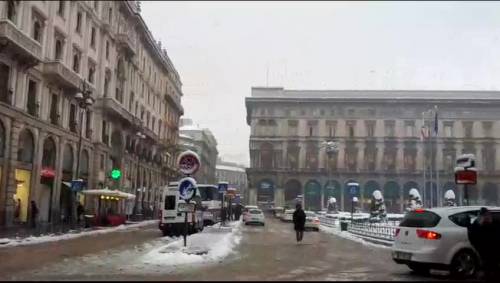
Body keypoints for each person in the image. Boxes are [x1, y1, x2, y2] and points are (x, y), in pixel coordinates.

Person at [468, 207, 499, 279]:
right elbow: (473, 236)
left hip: (492, 249)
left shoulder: (493, 223)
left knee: (492, 265)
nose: (487, 216)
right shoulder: (478, 224)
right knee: (488, 265)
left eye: (488, 215)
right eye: (486, 215)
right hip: (485, 249)